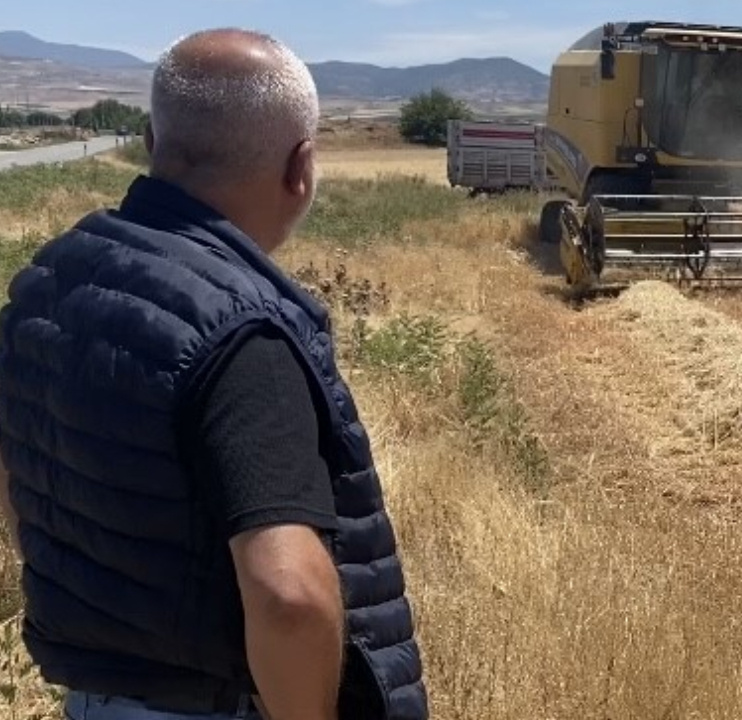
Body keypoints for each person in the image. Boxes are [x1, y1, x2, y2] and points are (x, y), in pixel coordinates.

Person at [0, 28, 428, 720]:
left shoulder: (44, 286)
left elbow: (20, 482)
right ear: (302, 167)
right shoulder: (241, 333)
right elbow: (288, 596)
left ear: (149, 142)